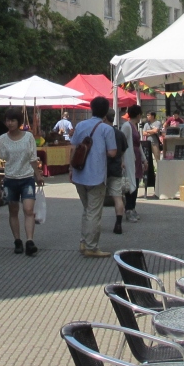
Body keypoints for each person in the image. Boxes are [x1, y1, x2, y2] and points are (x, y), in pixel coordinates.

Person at [0, 108, 43, 255]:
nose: (9, 123)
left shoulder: (28, 137)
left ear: (19, 122)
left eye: (13, 120)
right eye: (7, 120)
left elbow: (33, 158)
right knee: (13, 211)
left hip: (27, 178)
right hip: (10, 180)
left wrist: (38, 176)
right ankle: (17, 240)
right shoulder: (2, 139)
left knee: (28, 210)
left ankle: (29, 241)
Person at [68, 96, 120, 258]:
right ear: (105, 112)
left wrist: (70, 168)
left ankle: (84, 241)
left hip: (79, 173)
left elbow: (73, 148)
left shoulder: (80, 125)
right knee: (94, 212)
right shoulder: (106, 129)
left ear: (91, 109)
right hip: (96, 175)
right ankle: (91, 246)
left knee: (87, 209)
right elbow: (112, 152)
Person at [119, 104, 145, 224]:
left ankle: (132, 207)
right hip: (130, 158)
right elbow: (121, 143)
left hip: (136, 158)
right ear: (138, 115)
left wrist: (144, 158)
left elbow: (138, 144)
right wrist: (122, 160)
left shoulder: (134, 126)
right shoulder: (127, 126)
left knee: (136, 182)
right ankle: (129, 209)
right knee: (130, 184)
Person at [141, 110, 162, 196]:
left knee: (157, 159)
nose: (147, 117)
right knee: (148, 160)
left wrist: (149, 131)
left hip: (155, 143)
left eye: (149, 115)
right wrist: (151, 131)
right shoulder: (146, 124)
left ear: (153, 116)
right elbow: (144, 133)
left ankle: (160, 174)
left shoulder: (157, 122)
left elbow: (156, 131)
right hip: (148, 143)